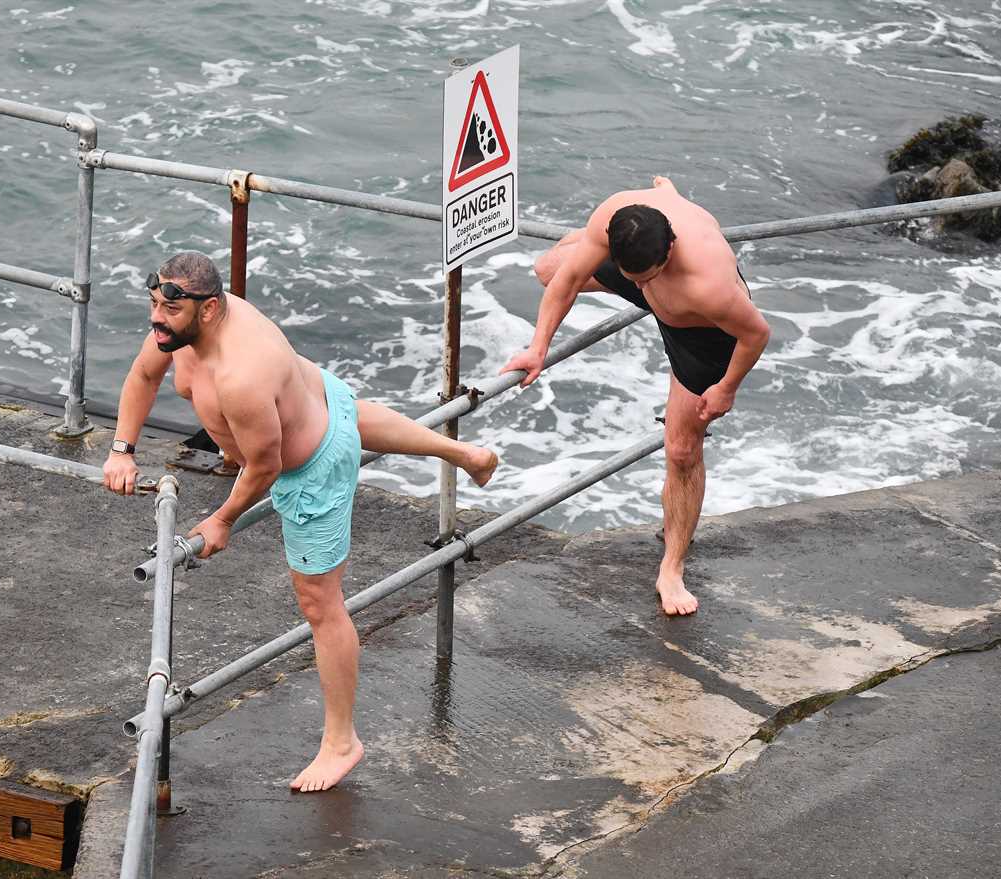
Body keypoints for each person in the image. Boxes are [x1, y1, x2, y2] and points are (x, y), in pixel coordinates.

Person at [102, 251, 499, 792]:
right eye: (153, 304)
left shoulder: (241, 374)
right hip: (313, 395)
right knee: (343, 413)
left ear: (211, 309)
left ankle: (342, 742)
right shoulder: (179, 326)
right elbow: (143, 376)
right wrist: (122, 449)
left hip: (309, 467)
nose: (156, 318)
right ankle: (466, 455)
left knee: (320, 604)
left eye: (167, 309)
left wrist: (220, 520)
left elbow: (265, 468)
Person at [500, 176, 769, 616]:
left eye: (647, 277)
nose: (640, 287)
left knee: (682, 451)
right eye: (633, 279)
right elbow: (566, 281)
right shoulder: (616, 213)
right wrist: (537, 349)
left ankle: (672, 570)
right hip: (653, 270)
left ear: (667, 251)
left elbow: (756, 334)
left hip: (701, 331)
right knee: (548, 269)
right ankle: (666, 197)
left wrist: (725, 388)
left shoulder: (711, 286)